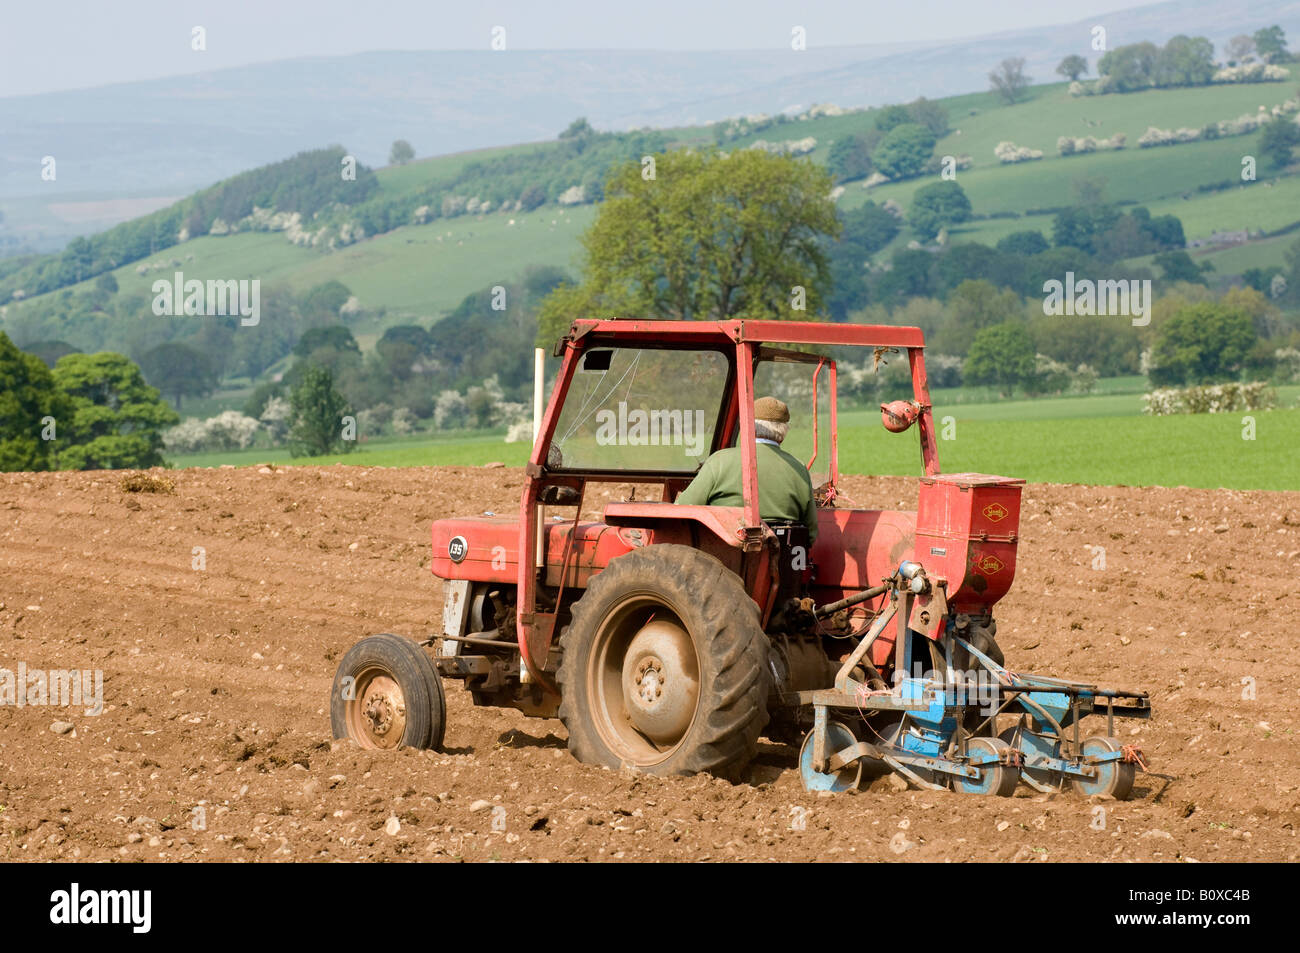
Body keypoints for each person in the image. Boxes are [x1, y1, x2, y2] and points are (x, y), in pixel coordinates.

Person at [675, 396, 818, 543]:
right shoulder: (799, 468)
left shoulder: (719, 461)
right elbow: (811, 532)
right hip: (783, 558)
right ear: (783, 433)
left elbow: (683, 509)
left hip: (723, 557)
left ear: (746, 427)